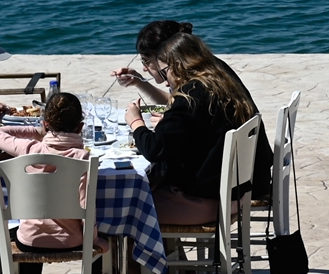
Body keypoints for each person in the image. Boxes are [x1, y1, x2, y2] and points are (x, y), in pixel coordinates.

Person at [0, 93, 104, 274]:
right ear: (81, 126)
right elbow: (85, 205)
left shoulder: (29, 150)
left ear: (46, 123)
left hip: (31, 241)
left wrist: (38, 131)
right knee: (105, 241)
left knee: (28, 231)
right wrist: (95, 240)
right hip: (74, 240)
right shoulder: (84, 159)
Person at [113, 20, 272, 199]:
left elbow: (155, 149)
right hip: (246, 177)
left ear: (169, 57)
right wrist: (140, 83)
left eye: (147, 61)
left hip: (216, 190)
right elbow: (184, 110)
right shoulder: (213, 71)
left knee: (131, 201)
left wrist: (136, 122)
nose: (145, 67)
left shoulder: (193, 92)